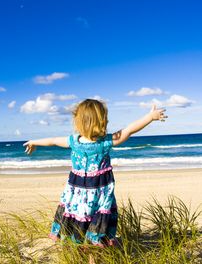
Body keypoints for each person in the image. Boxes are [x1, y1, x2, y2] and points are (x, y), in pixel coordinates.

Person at [23, 99, 167, 248]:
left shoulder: (73, 141)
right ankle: (92, 252)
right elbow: (129, 130)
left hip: (78, 195)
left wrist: (34, 142)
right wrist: (150, 117)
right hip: (98, 195)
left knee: (79, 219)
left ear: (78, 121)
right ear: (102, 120)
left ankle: (83, 249)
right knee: (96, 222)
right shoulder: (104, 142)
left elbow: (52, 140)